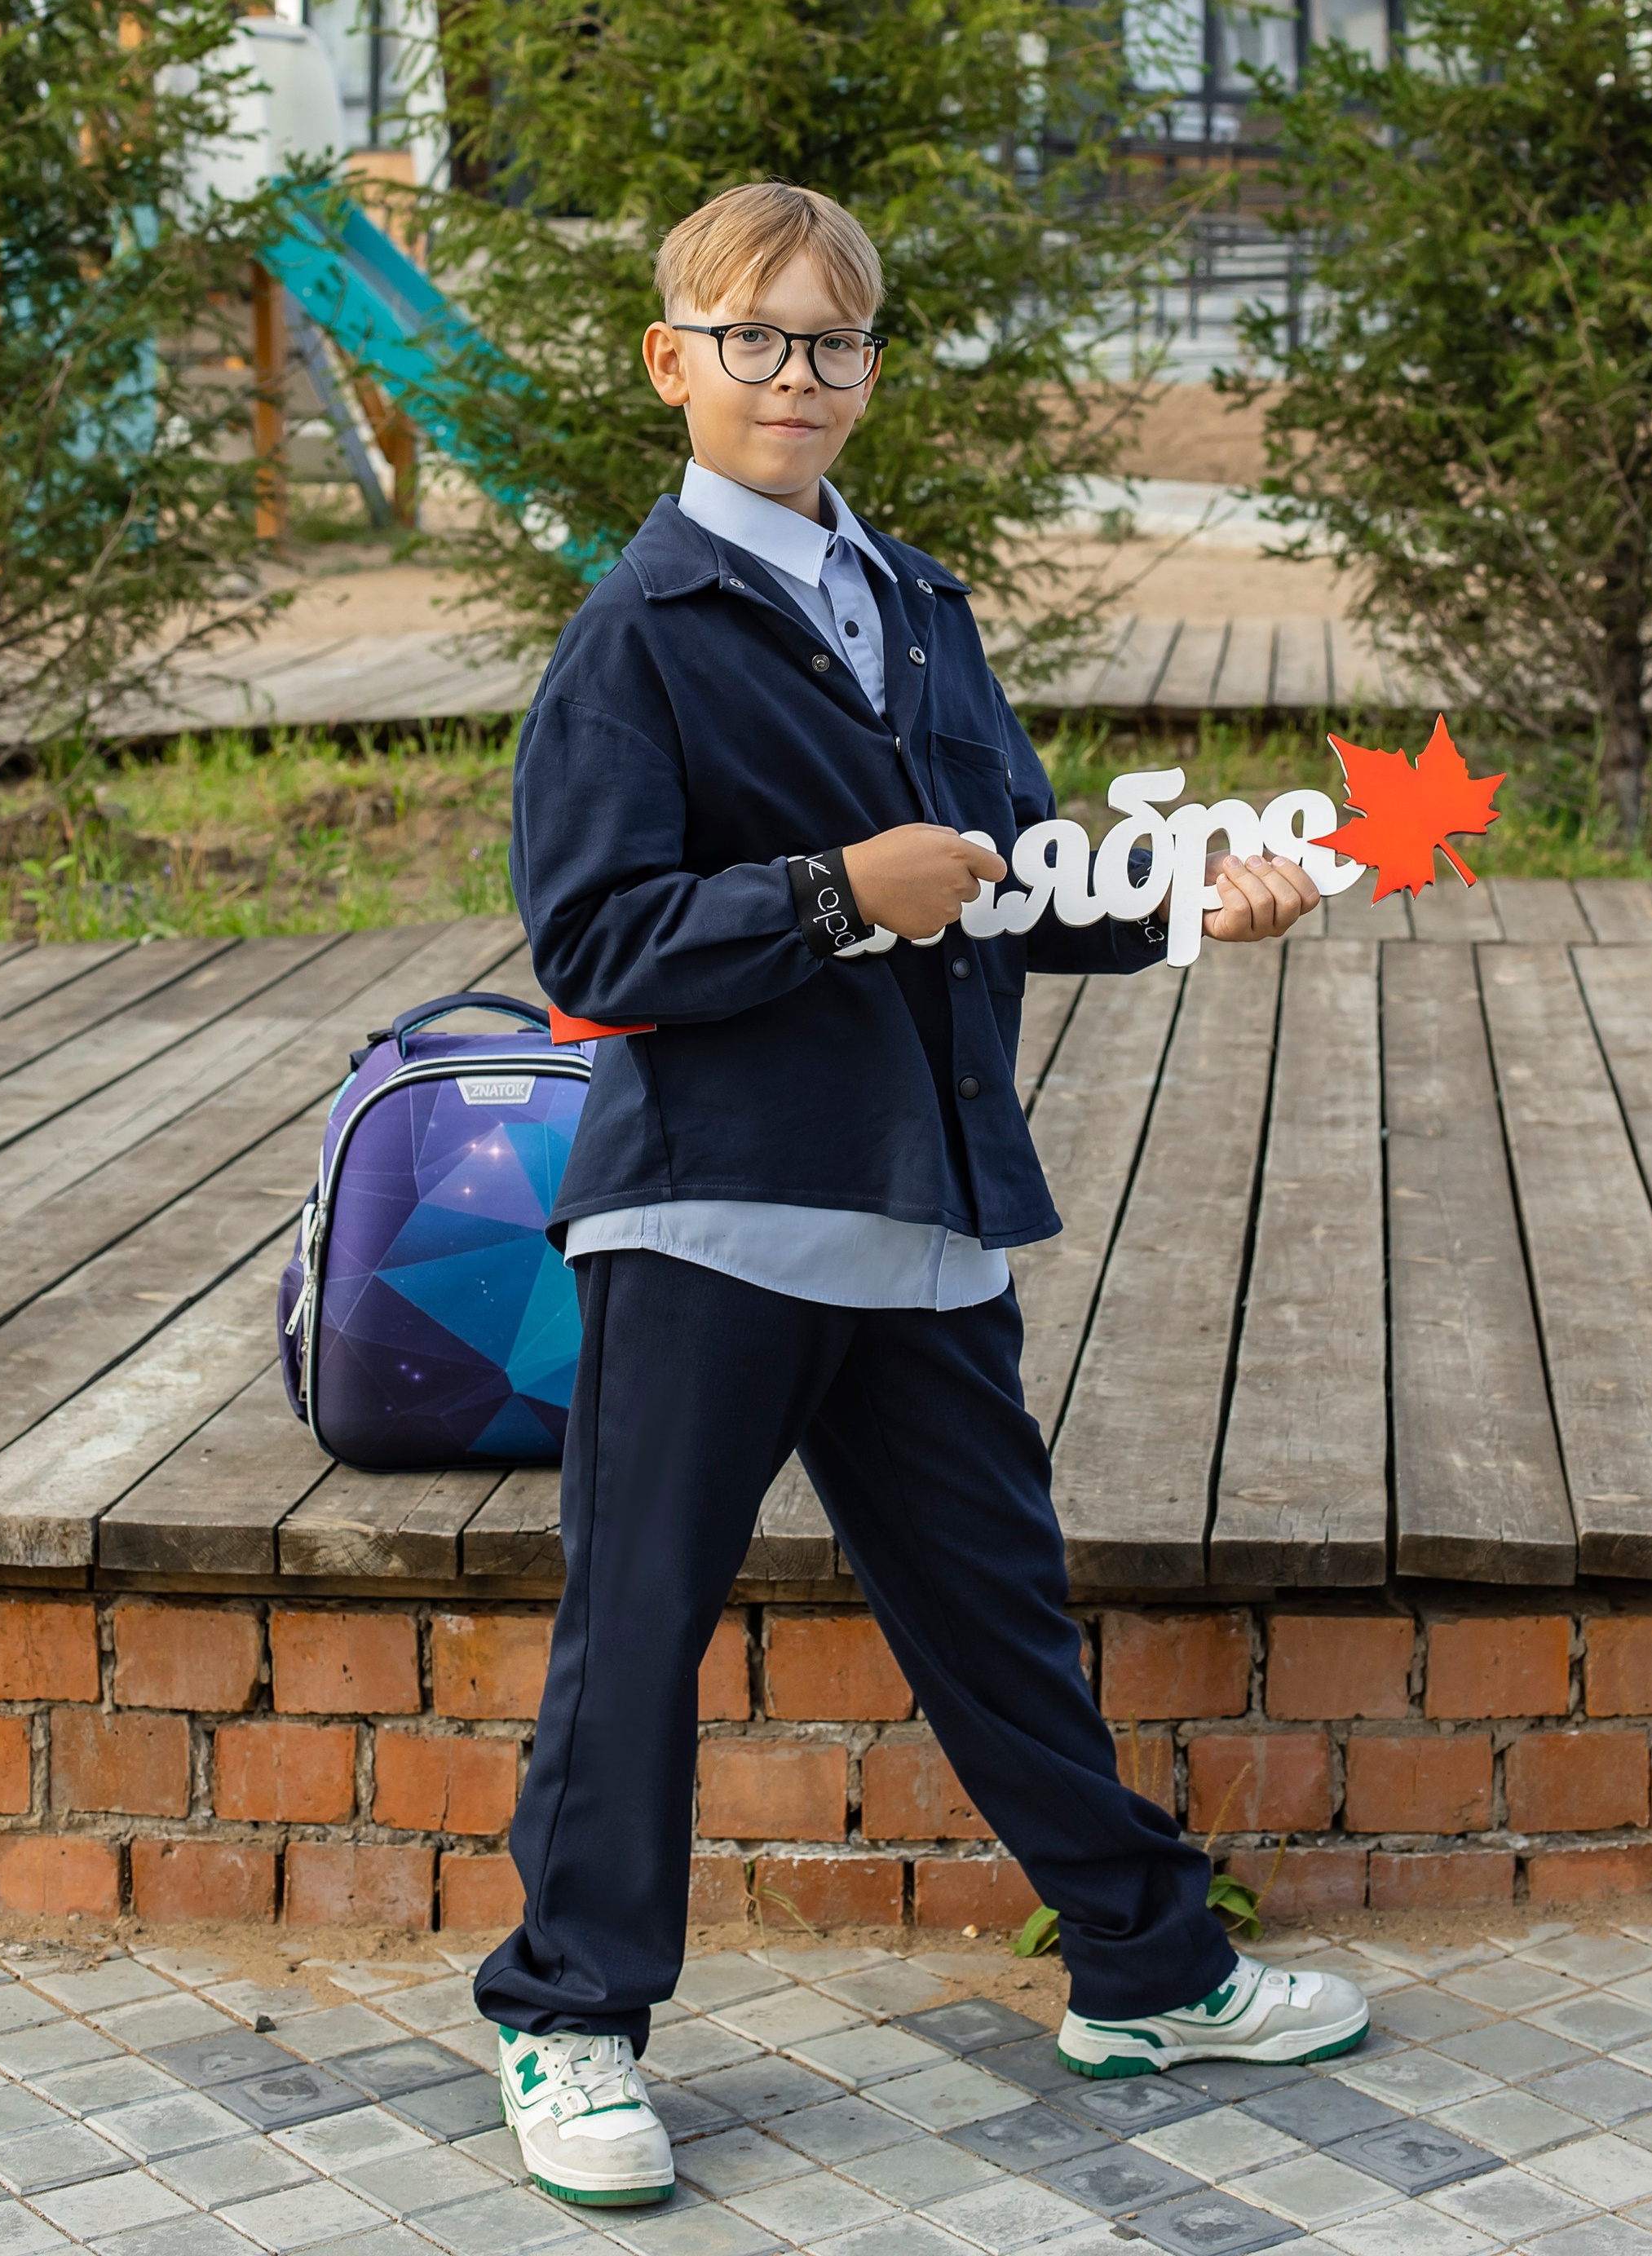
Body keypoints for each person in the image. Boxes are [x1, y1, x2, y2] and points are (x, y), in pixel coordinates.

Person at [479, 181, 1367, 2209]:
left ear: (870, 368)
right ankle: (568, 2019)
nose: (795, 378)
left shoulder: (922, 602)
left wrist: (1192, 909)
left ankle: (1143, 1968)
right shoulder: (637, 638)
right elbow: (594, 941)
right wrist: (823, 896)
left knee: (997, 1624)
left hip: (922, 1207)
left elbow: (1015, 883)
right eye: (754, 338)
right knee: (635, 1631)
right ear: (671, 359)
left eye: (834, 342)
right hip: (708, 1215)